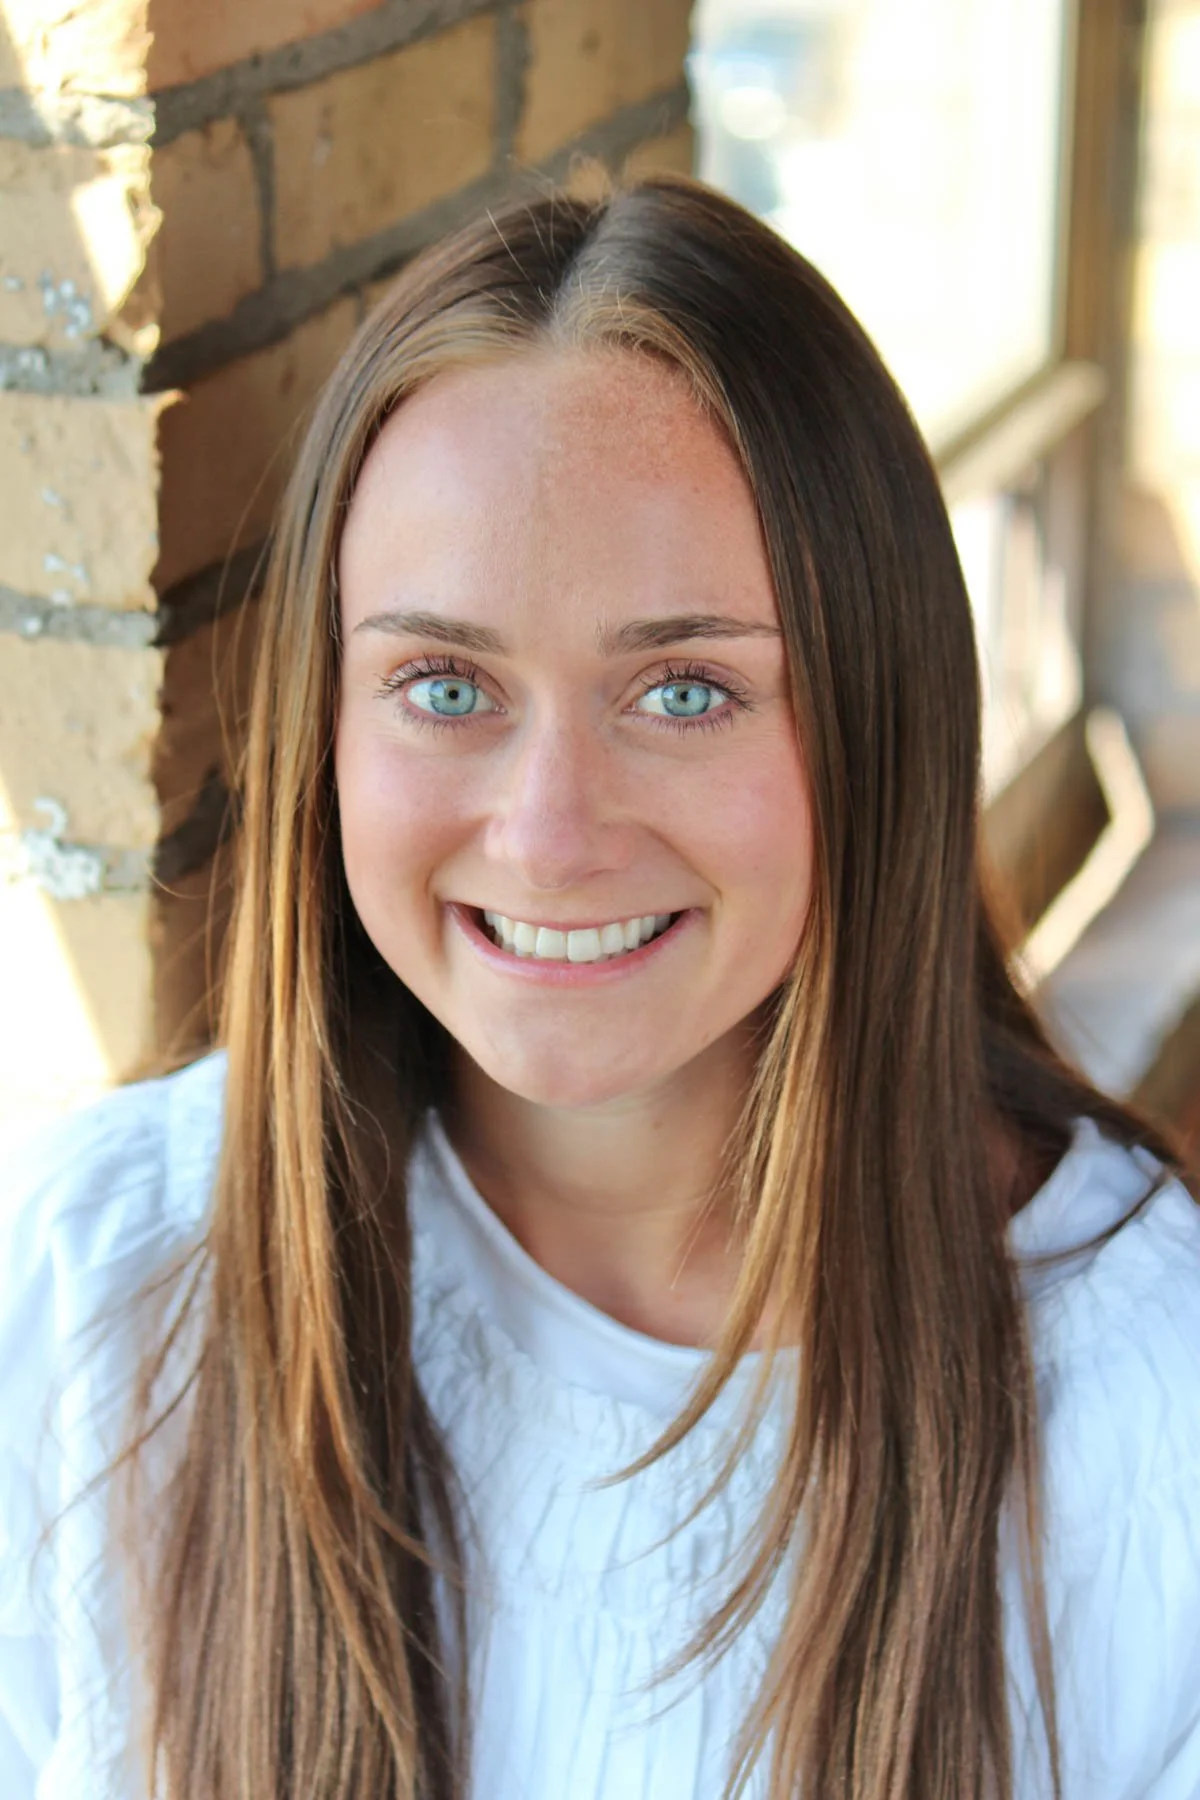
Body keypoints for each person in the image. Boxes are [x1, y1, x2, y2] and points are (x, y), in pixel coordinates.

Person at [2, 175, 1199, 1800]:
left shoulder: (1151, 1405)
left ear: (877, 721)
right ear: (325, 730)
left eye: (686, 688)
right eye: (443, 684)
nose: (550, 834)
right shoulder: (110, 1276)